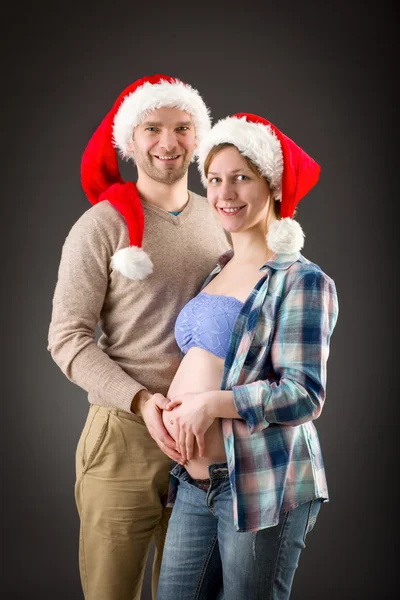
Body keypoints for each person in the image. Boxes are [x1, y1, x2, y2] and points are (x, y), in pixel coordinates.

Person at [47, 74, 231, 600]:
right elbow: (68, 338)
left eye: (182, 127)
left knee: (190, 592)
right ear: (130, 141)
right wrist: (141, 401)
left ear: (199, 138)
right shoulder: (99, 227)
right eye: (152, 128)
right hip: (125, 436)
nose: (168, 142)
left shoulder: (222, 218)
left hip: (205, 436)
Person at [156, 113, 339, 600]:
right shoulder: (216, 271)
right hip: (195, 486)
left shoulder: (300, 279)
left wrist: (211, 405)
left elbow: (304, 394)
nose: (224, 193)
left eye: (241, 177)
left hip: (260, 483)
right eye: (215, 179)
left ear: (272, 184)